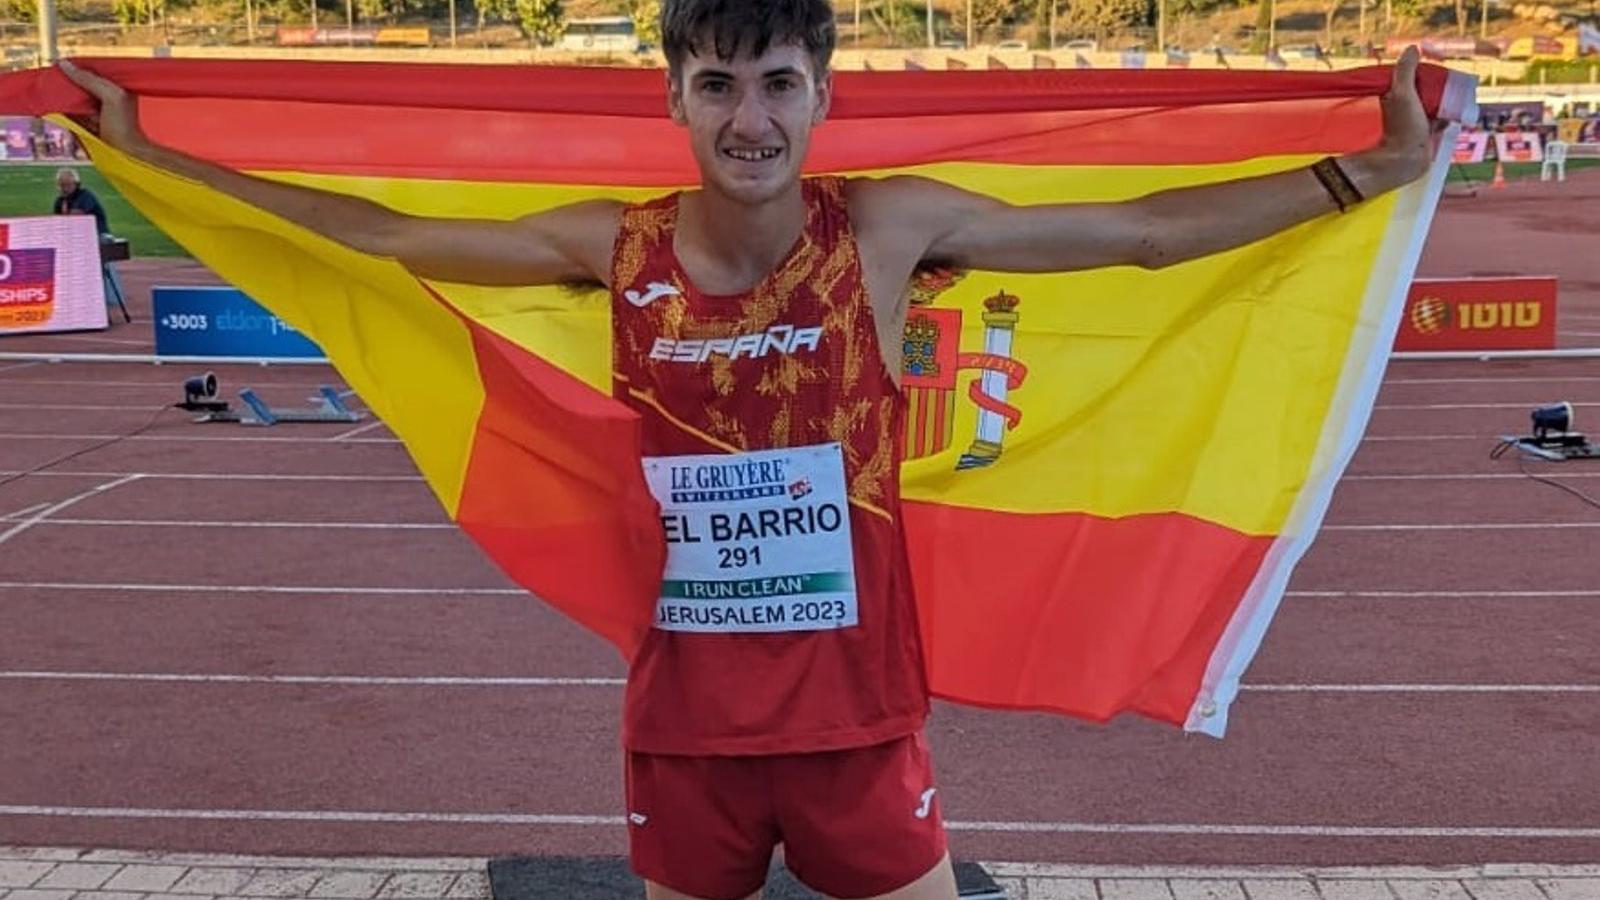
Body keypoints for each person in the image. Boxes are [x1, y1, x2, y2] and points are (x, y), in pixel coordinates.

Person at [59, 3, 1434, 896]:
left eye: (777, 83)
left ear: (821, 95)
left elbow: (1140, 235)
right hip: (688, 728)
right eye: (717, 84)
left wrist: (1362, 172)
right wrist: (170, 170)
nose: (749, 118)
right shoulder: (614, 246)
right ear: (674, 97)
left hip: (859, 721)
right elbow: (385, 234)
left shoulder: (883, 229)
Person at [52, 167, 110, 235]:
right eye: (62, 185)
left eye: (68, 185)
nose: (65, 189)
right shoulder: (60, 201)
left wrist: (65, 215)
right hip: (77, 235)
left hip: (98, 234)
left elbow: (78, 216)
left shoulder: (85, 196)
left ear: (76, 184)